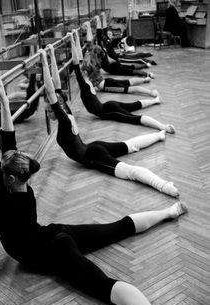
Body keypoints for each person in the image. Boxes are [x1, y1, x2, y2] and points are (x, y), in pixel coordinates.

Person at [0, 78, 191, 305]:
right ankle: (170, 212)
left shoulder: (4, 195)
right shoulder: (22, 184)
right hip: (55, 234)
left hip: (53, 250)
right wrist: (1, 101)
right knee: (115, 229)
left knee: (103, 285)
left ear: (9, 177)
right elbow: (6, 145)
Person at [41, 46, 178, 198]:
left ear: (56, 108)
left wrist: (44, 59)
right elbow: (56, 87)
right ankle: (160, 134)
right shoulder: (66, 112)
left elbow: (51, 90)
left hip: (93, 156)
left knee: (129, 171)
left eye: (48, 110)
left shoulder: (65, 120)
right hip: (94, 146)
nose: (47, 113)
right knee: (130, 144)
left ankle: (164, 185)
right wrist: (51, 54)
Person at [69, 31, 175, 134]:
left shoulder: (85, 84)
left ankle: (163, 126)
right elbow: (78, 60)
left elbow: (76, 62)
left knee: (134, 117)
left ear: (84, 72)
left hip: (109, 110)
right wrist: (74, 40)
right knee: (133, 105)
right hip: (109, 105)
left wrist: (73, 40)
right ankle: (155, 100)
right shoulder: (89, 78)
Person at [77, 28, 159, 97]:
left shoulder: (89, 63)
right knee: (129, 79)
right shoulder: (98, 52)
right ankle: (145, 79)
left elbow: (81, 65)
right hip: (107, 80)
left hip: (105, 84)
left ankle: (150, 91)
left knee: (129, 85)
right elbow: (97, 38)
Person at [83, 21, 154, 79]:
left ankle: (147, 71)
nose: (108, 34)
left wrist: (91, 25)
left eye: (110, 34)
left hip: (112, 65)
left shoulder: (105, 44)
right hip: (113, 63)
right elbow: (100, 33)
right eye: (108, 34)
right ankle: (147, 66)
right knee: (130, 67)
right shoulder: (105, 44)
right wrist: (97, 21)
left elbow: (98, 36)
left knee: (130, 69)